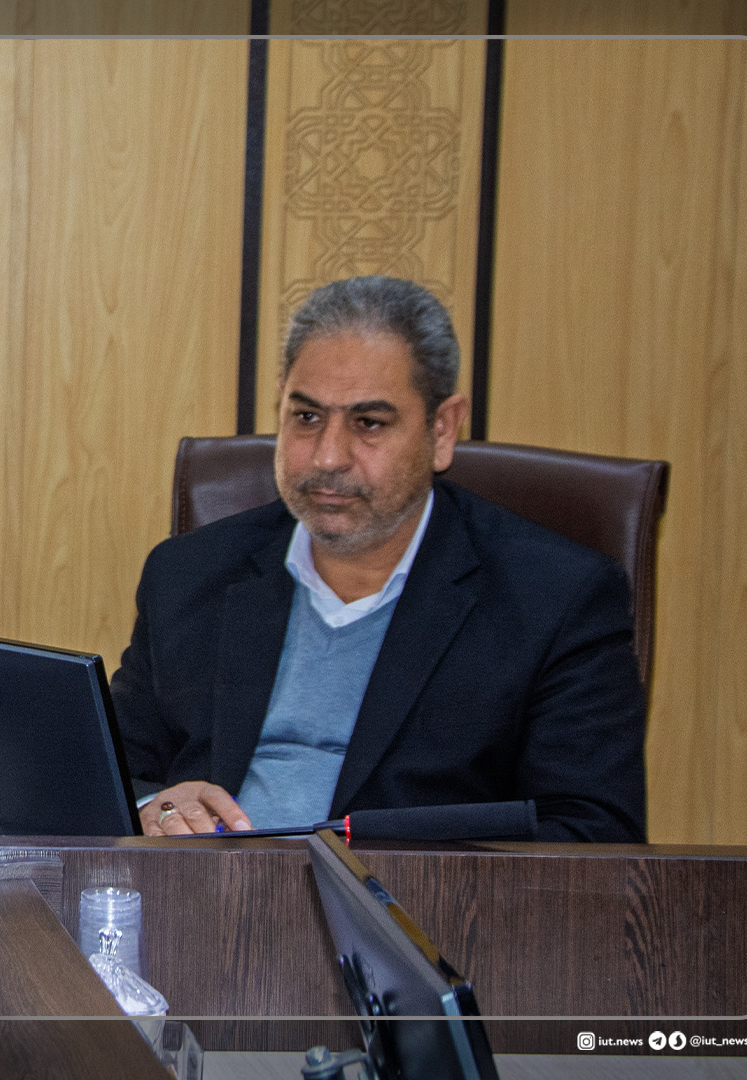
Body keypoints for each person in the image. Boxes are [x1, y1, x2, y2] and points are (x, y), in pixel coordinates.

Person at [110, 276, 645, 843]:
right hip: (204, 888)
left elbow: (592, 834)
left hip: (410, 897)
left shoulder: (555, 598)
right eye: (306, 417)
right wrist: (151, 806)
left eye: (369, 424)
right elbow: (113, 774)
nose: (328, 456)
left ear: (442, 429)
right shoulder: (188, 574)